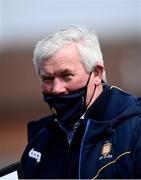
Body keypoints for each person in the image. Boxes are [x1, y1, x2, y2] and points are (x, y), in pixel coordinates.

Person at [21, 25, 141, 179]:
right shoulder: (39, 140)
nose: (57, 89)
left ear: (96, 73)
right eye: (48, 79)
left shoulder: (135, 129)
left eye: (67, 75)